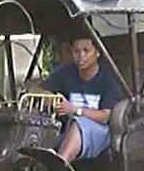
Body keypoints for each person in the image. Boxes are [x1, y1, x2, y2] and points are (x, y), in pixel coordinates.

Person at [39, 34, 123, 162]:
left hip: (98, 132)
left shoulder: (108, 78)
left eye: (86, 51)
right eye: (77, 51)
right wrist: (52, 100)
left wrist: (75, 110)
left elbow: (105, 116)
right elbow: (38, 90)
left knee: (78, 124)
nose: (81, 56)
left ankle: (61, 163)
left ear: (98, 52)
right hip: (65, 129)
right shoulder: (65, 72)